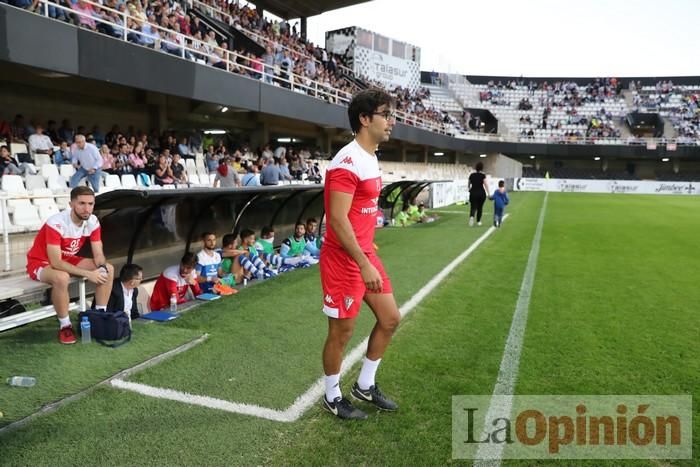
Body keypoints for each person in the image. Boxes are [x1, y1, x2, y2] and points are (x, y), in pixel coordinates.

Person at [320, 89, 400, 420]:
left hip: (365, 254)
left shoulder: (370, 156)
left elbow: (358, 213)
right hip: (344, 260)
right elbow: (337, 220)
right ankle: (332, 394)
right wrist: (363, 261)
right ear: (365, 120)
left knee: (391, 318)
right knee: (342, 332)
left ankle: (364, 385)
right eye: (385, 114)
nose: (391, 121)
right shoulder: (348, 160)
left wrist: (368, 252)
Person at [25, 186, 115, 344]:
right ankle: (65, 326)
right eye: (81, 203)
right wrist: (89, 274)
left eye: (90, 204)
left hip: (67, 258)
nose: (87, 208)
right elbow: (56, 262)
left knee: (109, 268)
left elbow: (98, 253)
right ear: (71, 204)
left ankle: (100, 316)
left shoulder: (93, 221)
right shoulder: (56, 222)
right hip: (40, 262)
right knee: (61, 277)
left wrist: (100, 268)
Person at [468, 161, 489, 226]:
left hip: (473, 192)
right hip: (481, 193)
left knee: (473, 206)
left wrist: (469, 189)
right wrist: (488, 193)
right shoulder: (483, 175)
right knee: (480, 207)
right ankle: (478, 221)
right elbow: (485, 184)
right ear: (482, 168)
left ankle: (472, 217)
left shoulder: (471, 175)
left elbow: (469, 183)